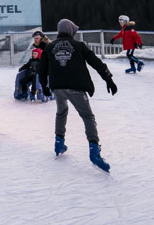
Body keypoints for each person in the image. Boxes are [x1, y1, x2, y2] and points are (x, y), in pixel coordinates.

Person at [39, 19, 117, 172]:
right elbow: (96, 62)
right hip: (76, 88)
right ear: (70, 31)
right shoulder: (79, 46)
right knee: (87, 116)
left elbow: (42, 69)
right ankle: (94, 152)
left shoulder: (49, 47)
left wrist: (45, 87)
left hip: (58, 88)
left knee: (61, 112)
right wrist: (109, 79)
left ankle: (58, 143)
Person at [15, 30, 48, 100]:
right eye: (34, 38)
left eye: (37, 38)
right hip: (31, 74)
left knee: (35, 81)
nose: (35, 40)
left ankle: (34, 93)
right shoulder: (32, 60)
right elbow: (27, 65)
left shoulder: (45, 48)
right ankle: (24, 92)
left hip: (39, 75)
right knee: (23, 81)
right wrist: (22, 68)